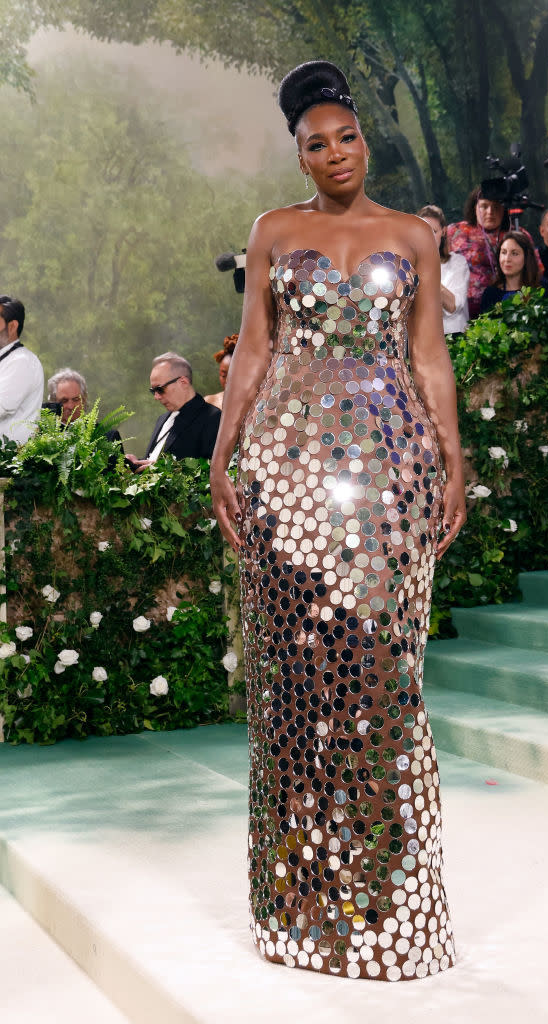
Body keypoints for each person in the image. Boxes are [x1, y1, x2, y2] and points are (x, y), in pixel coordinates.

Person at [210, 60, 466, 981]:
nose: (333, 155)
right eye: (314, 145)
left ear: (366, 138)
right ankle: (301, 900)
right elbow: (252, 348)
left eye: (345, 137)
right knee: (297, 679)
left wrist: (452, 458)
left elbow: (428, 352)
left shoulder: (411, 235)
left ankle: (384, 889)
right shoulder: (273, 232)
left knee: (382, 673)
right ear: (300, 156)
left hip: (392, 470)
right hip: (287, 469)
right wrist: (222, 453)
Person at [127, 352, 220, 471]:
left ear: (183, 382)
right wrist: (136, 462)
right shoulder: (162, 419)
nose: (156, 397)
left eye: (160, 389)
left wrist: (162, 470)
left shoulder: (213, 417)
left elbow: (211, 471)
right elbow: (155, 461)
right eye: (153, 391)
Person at [447, 188, 510, 318]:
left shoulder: (514, 234)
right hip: (460, 308)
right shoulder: (455, 231)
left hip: (504, 305)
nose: (490, 212)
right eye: (484, 206)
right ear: (474, 207)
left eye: (496, 207)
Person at [417, 204, 469, 335]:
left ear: (444, 232)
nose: (427, 237)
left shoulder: (457, 262)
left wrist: (425, 271)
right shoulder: (407, 265)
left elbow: (453, 306)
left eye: (433, 232)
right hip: (421, 339)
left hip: (454, 337)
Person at [0, 295, 43, 445]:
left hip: (9, 462)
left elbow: (1, 406)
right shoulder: (7, 359)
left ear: (12, 326)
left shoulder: (22, 361)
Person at [480, 231, 541, 314]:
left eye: (514, 253)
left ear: (527, 258)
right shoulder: (490, 294)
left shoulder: (540, 289)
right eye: (504, 252)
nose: (507, 259)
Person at [205, 335, 237, 409]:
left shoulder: (259, 402)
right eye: (223, 375)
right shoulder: (210, 402)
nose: (227, 381)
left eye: (233, 376)